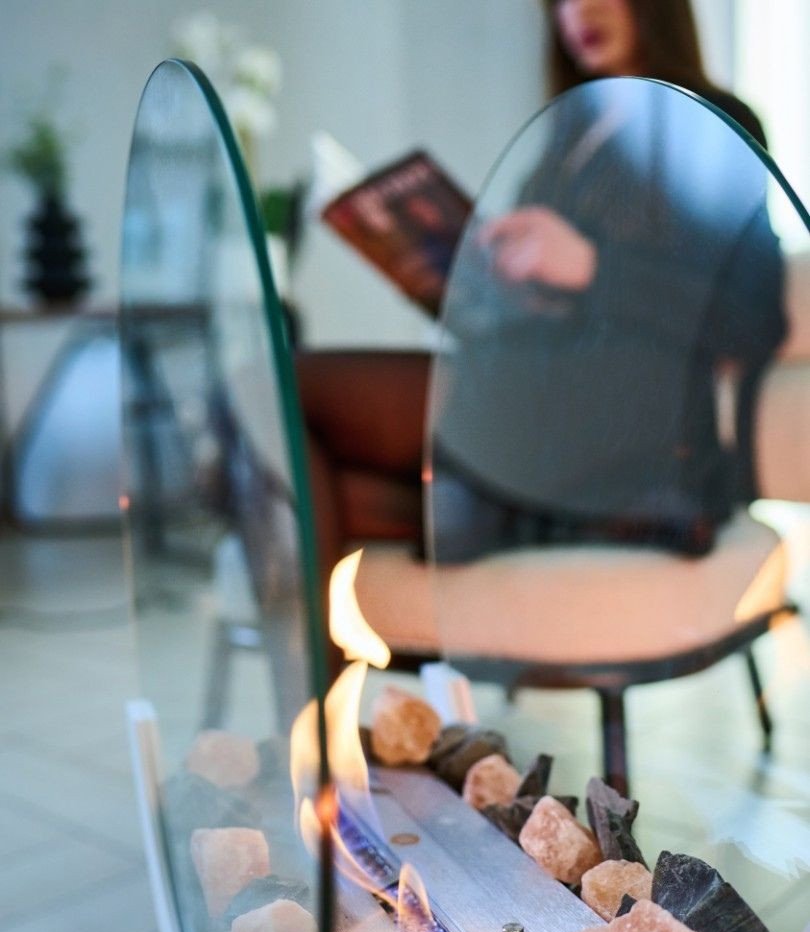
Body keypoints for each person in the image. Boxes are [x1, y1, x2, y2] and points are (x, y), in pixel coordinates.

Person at [297, 0, 784, 608]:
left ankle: (371, 648)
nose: (580, 12)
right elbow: (540, 305)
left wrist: (592, 267)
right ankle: (413, 631)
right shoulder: (571, 133)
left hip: (626, 415)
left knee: (288, 393)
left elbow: (752, 318)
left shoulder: (711, 119)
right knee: (316, 478)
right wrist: (456, 284)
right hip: (529, 384)